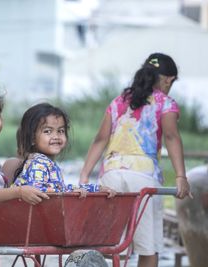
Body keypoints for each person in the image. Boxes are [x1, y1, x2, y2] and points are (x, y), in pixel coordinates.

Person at [79, 53, 192, 267]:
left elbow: (100, 139)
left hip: (111, 175)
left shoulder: (119, 101)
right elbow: (171, 137)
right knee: (148, 247)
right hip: (143, 177)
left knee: (115, 246)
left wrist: (84, 174)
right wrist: (180, 176)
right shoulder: (165, 103)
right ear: (168, 80)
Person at [13, 103, 116, 197]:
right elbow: (37, 190)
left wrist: (96, 189)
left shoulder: (46, 162)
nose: (56, 136)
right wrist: (69, 192)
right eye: (48, 131)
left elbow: (60, 188)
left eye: (60, 131)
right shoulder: (38, 163)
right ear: (32, 139)